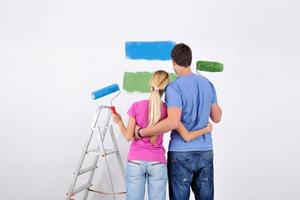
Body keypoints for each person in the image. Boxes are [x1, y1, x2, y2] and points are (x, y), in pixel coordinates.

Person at [135, 43, 222, 200]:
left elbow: (173, 122)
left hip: (181, 153)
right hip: (205, 151)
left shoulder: (174, 87)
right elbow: (217, 117)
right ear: (190, 60)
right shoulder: (208, 84)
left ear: (173, 62)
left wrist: (142, 132)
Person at [112, 70, 212, 200]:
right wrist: (206, 129)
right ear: (165, 89)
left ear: (150, 85)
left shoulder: (136, 106)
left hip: (136, 160)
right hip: (157, 162)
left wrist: (119, 122)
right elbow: (184, 133)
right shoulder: (168, 110)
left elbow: (127, 136)